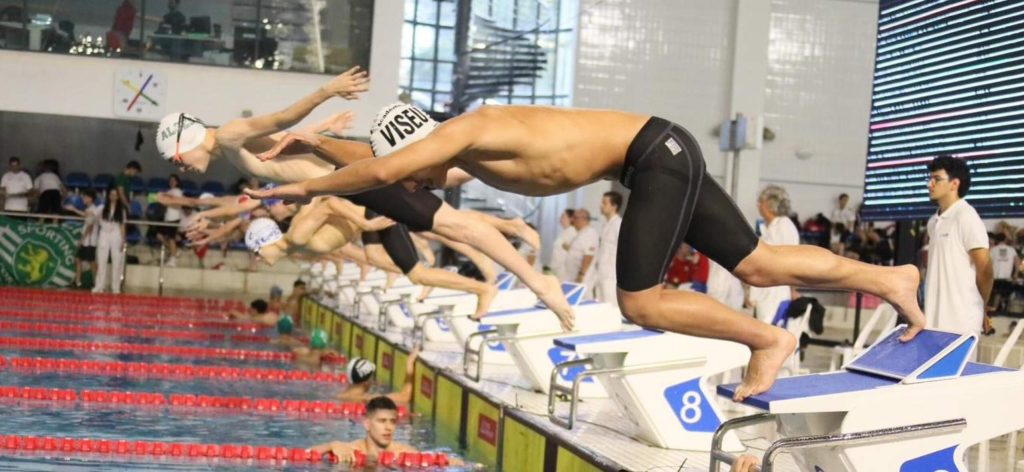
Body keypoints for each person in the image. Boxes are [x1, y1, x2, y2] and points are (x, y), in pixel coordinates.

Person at [252, 104, 927, 400]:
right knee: (759, 265)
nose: (417, 186)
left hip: (654, 160)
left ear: (420, 148)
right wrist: (315, 144)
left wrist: (297, 187)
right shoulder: (466, 144)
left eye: (414, 174)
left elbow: (377, 170)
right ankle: (891, 278)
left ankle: (766, 340)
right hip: (664, 151)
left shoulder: (465, 133)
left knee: (640, 302)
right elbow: (377, 160)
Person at [153, 73, 569, 323]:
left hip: (356, 180)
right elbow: (290, 142)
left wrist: (327, 91)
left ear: (184, 142)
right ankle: (529, 162)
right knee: (454, 169)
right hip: (348, 178)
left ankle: (537, 281)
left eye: (176, 160)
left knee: (454, 222)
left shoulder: (228, 134)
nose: (182, 168)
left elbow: (281, 119)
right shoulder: (230, 148)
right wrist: (322, 133)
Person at [243, 196, 499, 319]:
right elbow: (319, 198)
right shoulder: (294, 244)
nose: (258, 259)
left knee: (419, 270)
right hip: (366, 214)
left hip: (373, 211)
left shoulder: (297, 236)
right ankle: (441, 278)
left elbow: (329, 204)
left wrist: (364, 224)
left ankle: (482, 289)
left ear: (264, 242)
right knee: (375, 257)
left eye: (256, 253)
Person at [924, 156, 992, 342]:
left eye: (937, 179)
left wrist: (982, 306)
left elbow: (985, 269)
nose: (930, 184)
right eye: (929, 179)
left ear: (954, 183)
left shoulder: (966, 217)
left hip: (961, 324)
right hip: (933, 320)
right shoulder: (933, 222)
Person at [308, 397, 417, 464]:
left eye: (392, 421)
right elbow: (307, 454)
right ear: (367, 424)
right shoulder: (351, 449)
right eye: (382, 421)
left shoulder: (405, 453)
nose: (388, 427)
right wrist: (330, 445)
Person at [748, 186, 800, 323]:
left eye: (761, 202)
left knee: (771, 326)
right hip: (765, 289)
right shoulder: (770, 227)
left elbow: (791, 259)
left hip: (776, 289)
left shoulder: (784, 226)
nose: (758, 205)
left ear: (770, 204)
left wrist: (792, 288)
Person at [337, 347, 418, 404]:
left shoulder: (340, 396)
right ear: (366, 381)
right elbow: (405, 397)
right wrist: (409, 363)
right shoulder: (368, 399)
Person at [93, 186, 128, 294]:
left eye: (115, 195)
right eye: (111, 194)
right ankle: (99, 286)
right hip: (104, 234)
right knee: (101, 261)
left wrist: (123, 240)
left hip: (116, 234)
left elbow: (122, 226)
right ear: (108, 196)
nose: (113, 197)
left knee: (117, 261)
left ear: (118, 197)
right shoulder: (101, 208)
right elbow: (91, 214)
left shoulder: (121, 210)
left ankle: (115, 287)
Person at [592, 191, 623, 305]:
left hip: (611, 276)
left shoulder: (619, 225)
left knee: (610, 307)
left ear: (614, 206)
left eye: (604, 203)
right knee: (600, 306)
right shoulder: (605, 225)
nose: (601, 205)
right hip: (601, 273)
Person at [64, 189, 100, 288]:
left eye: (85, 197)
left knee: (92, 262)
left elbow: (90, 226)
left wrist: (82, 239)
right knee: (78, 259)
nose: (83, 199)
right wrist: (73, 209)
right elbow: (85, 215)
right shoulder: (88, 209)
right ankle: (77, 282)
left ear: (90, 198)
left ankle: (96, 283)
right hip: (85, 239)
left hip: (90, 240)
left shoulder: (94, 209)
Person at [565, 209, 599, 286]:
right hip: (574, 276)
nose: (572, 220)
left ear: (584, 219)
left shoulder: (590, 233)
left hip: (583, 278)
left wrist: (581, 274)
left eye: (575, 218)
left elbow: (589, 255)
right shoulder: (581, 233)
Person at [989, 233, 1020, 316]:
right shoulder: (1011, 250)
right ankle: (1004, 310)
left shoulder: (993, 250)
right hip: (1007, 277)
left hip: (995, 277)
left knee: (996, 294)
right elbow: (1017, 262)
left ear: (996, 240)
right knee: (1005, 294)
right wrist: (1016, 274)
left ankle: (994, 310)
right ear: (1005, 240)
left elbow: (988, 263)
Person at [157, 174, 184, 266]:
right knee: (160, 235)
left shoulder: (178, 192)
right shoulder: (169, 191)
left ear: (177, 182)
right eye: (170, 180)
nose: (171, 182)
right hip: (167, 218)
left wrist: (166, 203)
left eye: (173, 180)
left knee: (172, 238)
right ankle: (175, 251)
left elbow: (178, 205)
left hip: (174, 218)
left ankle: (173, 260)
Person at [550, 209, 577, 280]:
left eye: (563, 216)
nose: (560, 218)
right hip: (557, 269)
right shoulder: (565, 232)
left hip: (564, 271)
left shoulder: (572, 233)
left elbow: (570, 251)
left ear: (571, 218)